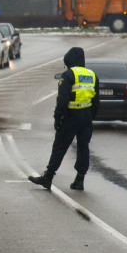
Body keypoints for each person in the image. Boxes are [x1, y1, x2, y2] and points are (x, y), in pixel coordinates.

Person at [28, 46, 99, 191]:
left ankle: (48, 177)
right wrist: (91, 117)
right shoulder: (92, 75)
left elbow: (62, 100)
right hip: (86, 116)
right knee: (83, 147)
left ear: (69, 60)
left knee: (60, 146)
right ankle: (80, 180)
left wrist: (58, 118)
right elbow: (96, 101)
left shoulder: (68, 75)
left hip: (71, 115)